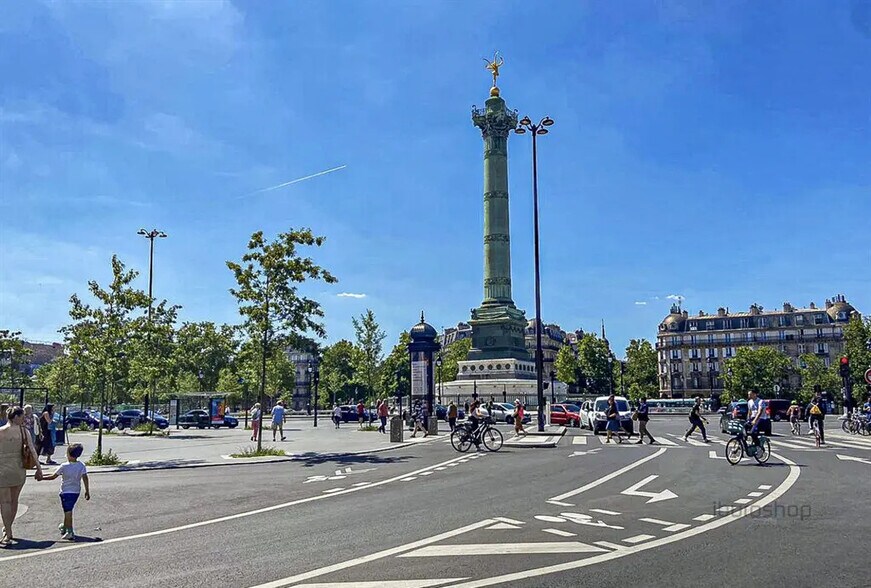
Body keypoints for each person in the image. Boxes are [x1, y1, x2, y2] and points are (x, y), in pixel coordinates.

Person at [0, 406, 43, 545]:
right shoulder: (24, 432)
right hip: (18, 469)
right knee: (14, 501)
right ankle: (8, 530)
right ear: (16, 417)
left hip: (2, 469)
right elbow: (32, 450)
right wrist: (39, 468)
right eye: (22, 416)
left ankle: (8, 532)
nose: (24, 418)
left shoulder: (1, 432)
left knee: (5, 502)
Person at [40, 443, 89, 541]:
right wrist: (87, 490)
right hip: (76, 492)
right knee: (68, 510)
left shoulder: (64, 466)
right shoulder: (81, 465)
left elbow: (53, 476)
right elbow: (85, 477)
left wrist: (41, 478)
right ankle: (64, 527)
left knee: (68, 512)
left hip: (66, 492)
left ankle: (69, 531)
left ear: (69, 455)